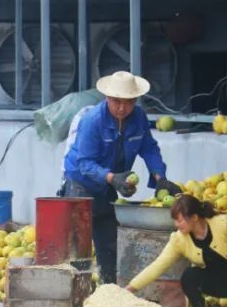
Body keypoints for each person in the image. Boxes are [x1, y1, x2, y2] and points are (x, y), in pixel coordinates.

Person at [62, 71, 182, 284]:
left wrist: (159, 177)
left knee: (109, 239)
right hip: (81, 182)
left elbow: (149, 149)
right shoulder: (92, 121)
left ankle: (109, 289)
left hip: (110, 179)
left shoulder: (138, 118)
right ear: (107, 98)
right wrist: (113, 178)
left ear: (135, 101)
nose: (121, 108)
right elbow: (85, 163)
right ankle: (76, 291)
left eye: (128, 103)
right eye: (116, 102)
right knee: (79, 243)